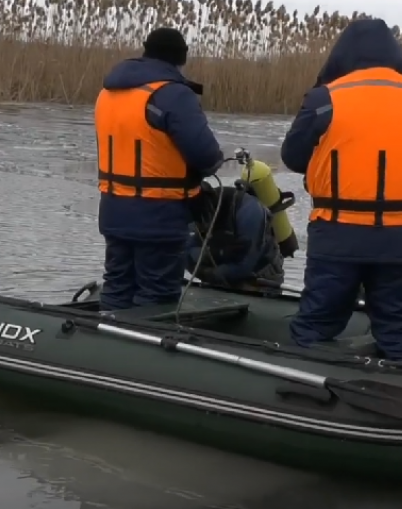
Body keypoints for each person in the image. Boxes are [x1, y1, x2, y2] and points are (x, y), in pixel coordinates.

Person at [280, 18, 402, 361]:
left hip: (338, 237)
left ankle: (300, 389)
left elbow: (292, 157)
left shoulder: (324, 99)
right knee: (399, 329)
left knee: (315, 324)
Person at [95, 27, 224, 311]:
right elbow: (205, 155)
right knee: (157, 297)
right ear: (180, 59)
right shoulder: (173, 95)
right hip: (160, 216)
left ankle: (106, 340)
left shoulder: (108, 92)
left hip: (114, 210)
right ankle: (143, 347)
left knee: (117, 286)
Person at [186, 181, 285, 289]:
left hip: (259, 276)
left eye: (201, 221)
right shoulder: (192, 212)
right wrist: (217, 253)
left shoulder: (249, 212)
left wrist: (206, 269)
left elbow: (245, 265)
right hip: (219, 273)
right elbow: (185, 253)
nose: (199, 226)